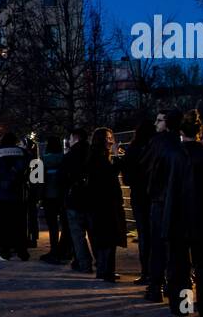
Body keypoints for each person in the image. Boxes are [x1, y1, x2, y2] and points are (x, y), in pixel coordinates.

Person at [163, 110, 203, 317]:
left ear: (181, 131)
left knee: (180, 267)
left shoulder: (174, 155)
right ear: (199, 131)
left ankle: (183, 306)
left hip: (178, 217)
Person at [141, 108, 183, 301]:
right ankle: (179, 295)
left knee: (157, 246)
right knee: (177, 250)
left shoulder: (158, 143)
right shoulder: (182, 145)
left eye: (159, 121)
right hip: (180, 202)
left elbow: (146, 167)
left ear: (167, 123)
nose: (156, 124)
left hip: (159, 200)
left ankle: (155, 288)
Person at [85, 128, 126, 282]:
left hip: (99, 203)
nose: (111, 141)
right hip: (105, 203)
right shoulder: (99, 157)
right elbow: (110, 174)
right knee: (108, 238)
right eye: (108, 138)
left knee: (103, 238)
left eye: (111, 137)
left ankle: (104, 270)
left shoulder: (95, 155)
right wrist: (116, 156)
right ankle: (107, 271)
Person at [0, 132, 30, 260]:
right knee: (19, 225)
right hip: (19, 194)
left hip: (2, 195)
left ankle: (5, 252)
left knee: (2, 225)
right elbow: (34, 171)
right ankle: (22, 251)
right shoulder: (23, 153)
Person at [120, 120, 156, 284]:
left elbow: (127, 178)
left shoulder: (134, 150)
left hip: (139, 195)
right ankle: (158, 273)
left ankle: (146, 272)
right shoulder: (157, 148)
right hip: (157, 195)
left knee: (144, 234)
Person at [62, 127, 92, 273]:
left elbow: (63, 179)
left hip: (74, 198)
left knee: (77, 233)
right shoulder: (93, 152)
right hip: (92, 198)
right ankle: (102, 262)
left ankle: (84, 262)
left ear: (75, 138)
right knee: (93, 232)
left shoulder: (69, 156)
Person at [38, 136, 69, 263]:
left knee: (52, 225)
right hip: (62, 195)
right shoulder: (64, 158)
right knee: (65, 224)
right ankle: (65, 250)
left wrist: (39, 196)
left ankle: (54, 250)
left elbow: (38, 180)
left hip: (48, 196)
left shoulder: (43, 159)